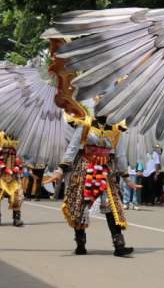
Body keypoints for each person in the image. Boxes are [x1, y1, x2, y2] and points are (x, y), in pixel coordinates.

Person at [53, 109, 140, 257]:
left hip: (106, 170)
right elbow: (73, 147)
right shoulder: (85, 123)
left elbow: (120, 155)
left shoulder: (115, 128)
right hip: (85, 167)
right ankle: (80, 243)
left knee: (112, 205)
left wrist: (126, 178)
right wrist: (60, 169)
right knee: (79, 205)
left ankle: (119, 245)